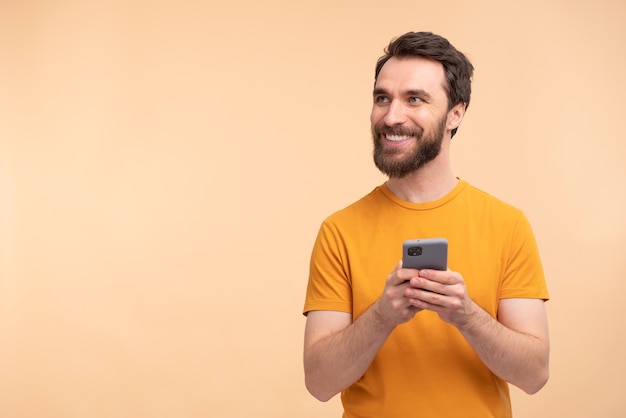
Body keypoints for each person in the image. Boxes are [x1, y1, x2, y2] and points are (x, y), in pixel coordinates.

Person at [302, 31, 549, 418]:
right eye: (382, 98)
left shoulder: (507, 225)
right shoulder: (339, 230)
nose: (391, 116)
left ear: (456, 113)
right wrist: (383, 315)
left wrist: (467, 315)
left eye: (414, 99)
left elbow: (534, 375)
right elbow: (319, 383)